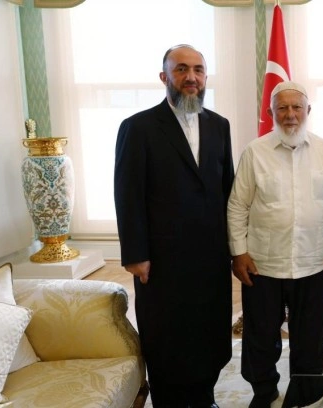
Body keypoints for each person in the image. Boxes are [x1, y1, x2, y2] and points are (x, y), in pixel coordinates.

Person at [114, 44, 234, 408]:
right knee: (168, 337)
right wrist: (136, 254)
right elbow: (128, 194)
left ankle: (204, 397)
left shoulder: (219, 125)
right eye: (181, 69)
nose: (191, 77)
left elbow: (227, 190)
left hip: (211, 256)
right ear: (164, 76)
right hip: (162, 259)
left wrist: (234, 248)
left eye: (198, 69)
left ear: (206, 77)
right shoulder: (138, 127)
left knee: (209, 332)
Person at [227, 81, 323, 408]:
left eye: (297, 107)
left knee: (310, 338)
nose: (290, 114)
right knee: (260, 337)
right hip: (263, 263)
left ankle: (303, 396)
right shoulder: (255, 152)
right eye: (282, 108)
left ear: (308, 111)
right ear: (271, 113)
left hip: (312, 262)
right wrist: (238, 252)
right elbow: (237, 205)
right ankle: (264, 391)